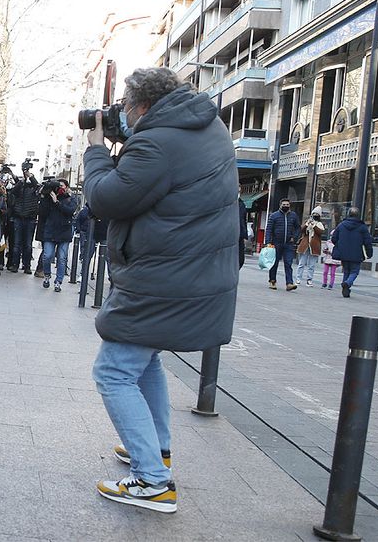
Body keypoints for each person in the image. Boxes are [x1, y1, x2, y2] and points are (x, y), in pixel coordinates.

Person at [83, 67, 239, 514]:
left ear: (143, 106)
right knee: (143, 357)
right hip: (191, 273)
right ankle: (157, 449)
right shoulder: (207, 128)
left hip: (167, 276)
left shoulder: (157, 142)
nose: (122, 115)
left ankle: (153, 481)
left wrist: (96, 152)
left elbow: (107, 199)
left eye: (126, 107)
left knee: (113, 371)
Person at [38, 179, 78, 292]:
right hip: (50, 231)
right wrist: (44, 197)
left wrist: (57, 202)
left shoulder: (71, 198)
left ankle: (58, 282)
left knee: (62, 258)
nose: (58, 188)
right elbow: (42, 213)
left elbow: (70, 211)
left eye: (61, 186)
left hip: (64, 232)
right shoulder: (49, 198)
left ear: (66, 187)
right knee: (47, 256)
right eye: (57, 186)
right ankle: (47, 275)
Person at [331, 206, 374, 298]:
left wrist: (340, 245)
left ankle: (345, 289)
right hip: (357, 253)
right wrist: (369, 253)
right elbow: (367, 241)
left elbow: (334, 238)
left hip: (343, 253)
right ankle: (347, 283)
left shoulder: (341, 225)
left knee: (346, 270)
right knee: (354, 271)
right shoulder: (362, 227)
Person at [7, 161, 41, 273]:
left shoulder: (35, 190)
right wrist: (22, 180)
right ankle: (15, 265)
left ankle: (27, 266)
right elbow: (13, 191)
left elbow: (38, 186)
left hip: (30, 219)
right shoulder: (20, 187)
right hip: (18, 217)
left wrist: (30, 176)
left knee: (27, 245)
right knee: (16, 244)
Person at [265, 198, 300, 291]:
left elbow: (297, 228)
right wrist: (268, 242)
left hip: (289, 244)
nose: (285, 206)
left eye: (287, 204)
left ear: (290, 205)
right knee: (274, 263)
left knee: (288, 263)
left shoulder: (293, 215)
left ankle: (289, 283)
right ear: (280, 205)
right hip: (276, 243)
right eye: (284, 204)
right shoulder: (274, 216)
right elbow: (269, 230)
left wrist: (294, 237)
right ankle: (272, 281)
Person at [295, 206, 325, 286]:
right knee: (301, 263)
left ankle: (309, 280)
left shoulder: (320, 224)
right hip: (305, 245)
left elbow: (320, 232)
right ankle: (298, 279)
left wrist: (314, 226)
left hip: (314, 246)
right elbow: (301, 230)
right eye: (313, 214)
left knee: (311, 265)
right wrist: (307, 224)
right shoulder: (307, 222)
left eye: (317, 214)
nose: (315, 215)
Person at [238, 194, 248, 269]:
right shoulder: (226, 203)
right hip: (228, 234)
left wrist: (245, 235)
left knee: (241, 259)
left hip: (240, 235)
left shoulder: (242, 204)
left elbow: (243, 221)